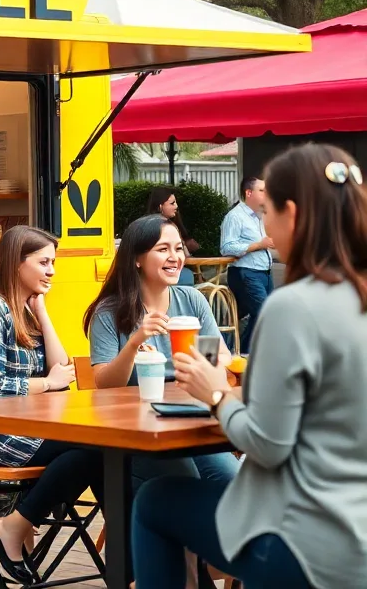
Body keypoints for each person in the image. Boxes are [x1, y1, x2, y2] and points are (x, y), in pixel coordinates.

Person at [133, 143, 367, 589]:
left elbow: (267, 443)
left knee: (154, 502)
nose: (265, 223)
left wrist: (216, 394)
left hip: (306, 545)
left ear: (292, 216)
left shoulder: (294, 307)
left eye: (267, 212)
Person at [0, 225, 103, 584]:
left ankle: (15, 525)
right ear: (16, 263)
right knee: (98, 447)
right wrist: (49, 383)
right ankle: (131, 553)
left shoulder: (23, 309)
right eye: (43, 262)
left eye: (53, 262)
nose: (52, 270)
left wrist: (42, 311)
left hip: (26, 430)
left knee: (93, 454)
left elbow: (60, 369)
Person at [84, 214, 239, 487]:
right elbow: (105, 384)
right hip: (138, 428)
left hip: (190, 418)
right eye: (163, 249)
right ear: (137, 258)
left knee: (233, 478)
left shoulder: (191, 300)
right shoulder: (111, 312)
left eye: (178, 248)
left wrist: (199, 363)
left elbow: (222, 357)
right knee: (185, 482)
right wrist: (135, 341)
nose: (175, 256)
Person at [220, 176, 274, 350]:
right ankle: (245, 354)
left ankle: (233, 351)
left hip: (263, 272)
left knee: (255, 314)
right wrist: (259, 245)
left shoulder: (258, 217)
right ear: (248, 193)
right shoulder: (235, 216)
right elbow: (226, 247)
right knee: (264, 314)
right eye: (261, 190)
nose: (266, 194)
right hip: (245, 273)